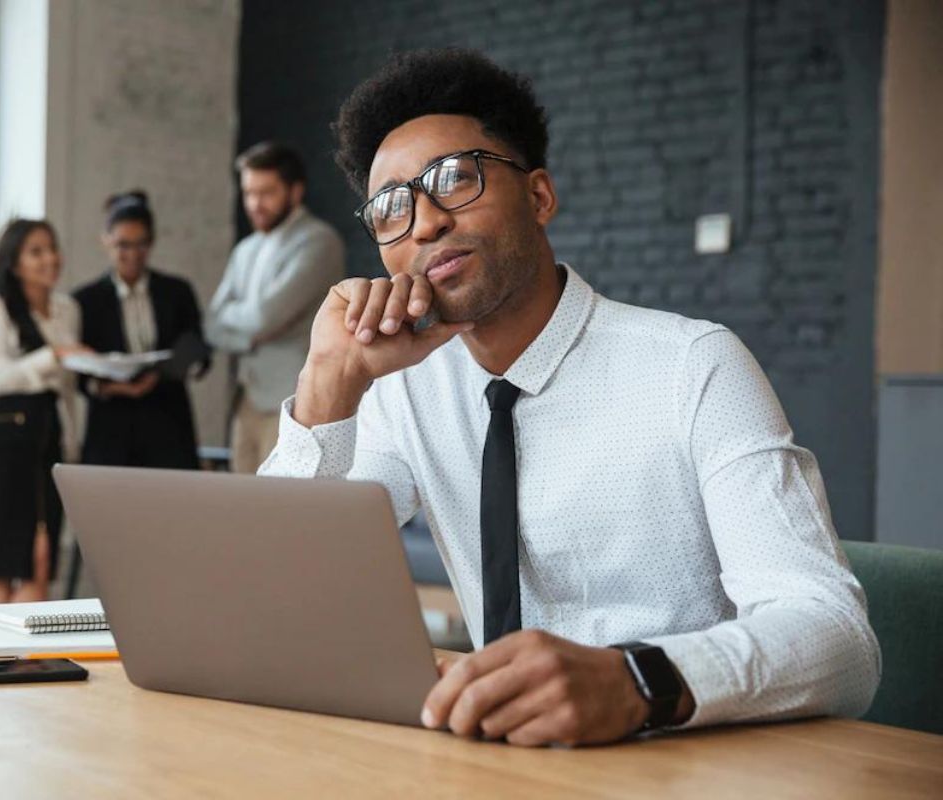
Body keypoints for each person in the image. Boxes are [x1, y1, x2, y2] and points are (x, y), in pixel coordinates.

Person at [259, 49, 879, 746]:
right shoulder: (405, 394)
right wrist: (325, 389)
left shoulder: (692, 366)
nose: (425, 222)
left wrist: (637, 680)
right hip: (497, 767)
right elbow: (270, 594)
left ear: (540, 196)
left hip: (683, 761)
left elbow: (837, 638)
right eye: (391, 208)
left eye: (455, 179)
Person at [0, 218, 88, 604]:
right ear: (13, 263)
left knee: (41, 560)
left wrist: (71, 442)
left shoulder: (66, 310)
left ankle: (25, 662)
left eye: (52, 248)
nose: (50, 258)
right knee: (1, 565)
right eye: (36, 252)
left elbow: (66, 389)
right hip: (0, 443)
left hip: (45, 441)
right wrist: (53, 356)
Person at [206, 142, 346, 474]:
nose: (255, 203)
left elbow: (263, 318)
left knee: (279, 511)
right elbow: (211, 323)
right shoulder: (246, 249)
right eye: (248, 193)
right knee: (241, 508)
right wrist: (249, 333)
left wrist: (244, 327)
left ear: (295, 191)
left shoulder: (318, 241)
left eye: (266, 192)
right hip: (247, 399)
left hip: (295, 402)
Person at [73, 191, 209, 471]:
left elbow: (199, 349)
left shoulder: (176, 292)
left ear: (152, 242)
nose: (133, 255)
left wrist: (161, 373)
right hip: (110, 433)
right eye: (123, 245)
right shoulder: (85, 301)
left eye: (141, 245)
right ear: (106, 241)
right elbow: (76, 371)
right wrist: (105, 386)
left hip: (168, 428)